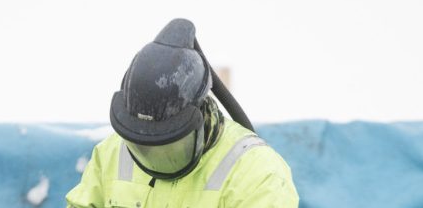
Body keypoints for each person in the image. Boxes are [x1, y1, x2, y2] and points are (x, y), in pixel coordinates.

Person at [66, 18, 298, 207]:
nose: (156, 156)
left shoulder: (258, 174)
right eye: (143, 144)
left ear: (200, 115)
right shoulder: (111, 155)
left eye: (169, 145)